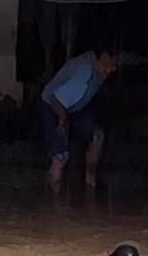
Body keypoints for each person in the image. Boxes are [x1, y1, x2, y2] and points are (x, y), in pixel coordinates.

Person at [41, 45, 118, 195]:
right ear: (102, 57)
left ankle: (90, 183)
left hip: (75, 106)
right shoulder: (83, 76)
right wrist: (62, 120)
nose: (112, 70)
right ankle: (52, 199)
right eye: (110, 64)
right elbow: (56, 100)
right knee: (60, 157)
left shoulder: (99, 68)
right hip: (53, 106)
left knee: (97, 135)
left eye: (115, 65)